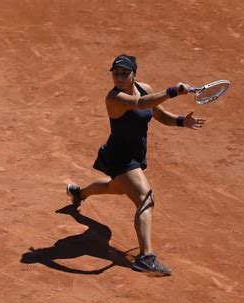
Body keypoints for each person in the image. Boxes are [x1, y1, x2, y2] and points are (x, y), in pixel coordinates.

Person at [66, 54, 205, 276]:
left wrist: (181, 121)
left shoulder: (145, 88)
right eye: (115, 73)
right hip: (120, 156)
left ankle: (78, 193)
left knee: (115, 188)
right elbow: (141, 104)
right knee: (145, 199)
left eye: (124, 73)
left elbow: (158, 114)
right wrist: (171, 91)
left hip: (135, 154)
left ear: (134, 74)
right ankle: (146, 258)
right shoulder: (114, 98)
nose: (119, 77)